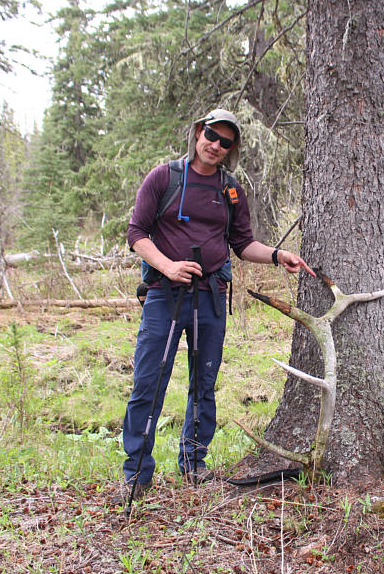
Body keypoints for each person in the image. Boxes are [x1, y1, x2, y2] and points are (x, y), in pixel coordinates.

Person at [121, 108, 314, 500]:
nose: (215, 145)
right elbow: (136, 233)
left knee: (204, 382)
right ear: (198, 133)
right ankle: (137, 474)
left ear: (231, 149)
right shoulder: (164, 177)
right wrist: (168, 266)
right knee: (149, 382)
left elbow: (243, 244)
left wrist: (277, 256)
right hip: (164, 295)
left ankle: (194, 463)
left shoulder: (230, 190)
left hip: (211, 296)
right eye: (211, 135)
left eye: (226, 142)